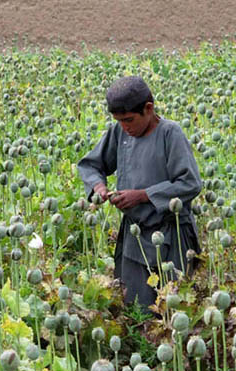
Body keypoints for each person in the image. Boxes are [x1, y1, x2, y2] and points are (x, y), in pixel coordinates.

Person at [78, 76, 202, 308]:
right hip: (135, 237)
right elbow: (91, 165)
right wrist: (99, 187)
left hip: (172, 236)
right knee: (135, 307)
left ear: (149, 108)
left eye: (129, 120)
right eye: (119, 121)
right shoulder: (121, 133)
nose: (125, 127)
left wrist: (144, 195)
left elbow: (190, 183)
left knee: (172, 307)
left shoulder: (170, 134)